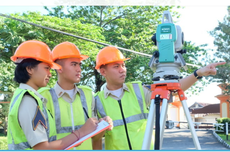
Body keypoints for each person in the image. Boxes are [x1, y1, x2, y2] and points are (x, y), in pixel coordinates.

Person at [94, 46, 226, 150]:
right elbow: (96, 139)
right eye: (116, 66)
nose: (122, 70)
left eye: (123, 65)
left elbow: (173, 91)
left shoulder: (138, 89)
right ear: (103, 71)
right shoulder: (96, 101)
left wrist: (197, 74)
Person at [7, 40, 98, 150]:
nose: (50, 74)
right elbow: (42, 148)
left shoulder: (28, 97)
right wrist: (80, 133)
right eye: (46, 68)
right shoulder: (28, 100)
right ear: (29, 69)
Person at [38, 42, 113, 150]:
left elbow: (95, 138)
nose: (79, 69)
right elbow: (40, 145)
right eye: (74, 64)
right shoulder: (43, 97)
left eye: (79, 64)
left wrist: (102, 125)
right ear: (59, 68)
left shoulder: (88, 95)